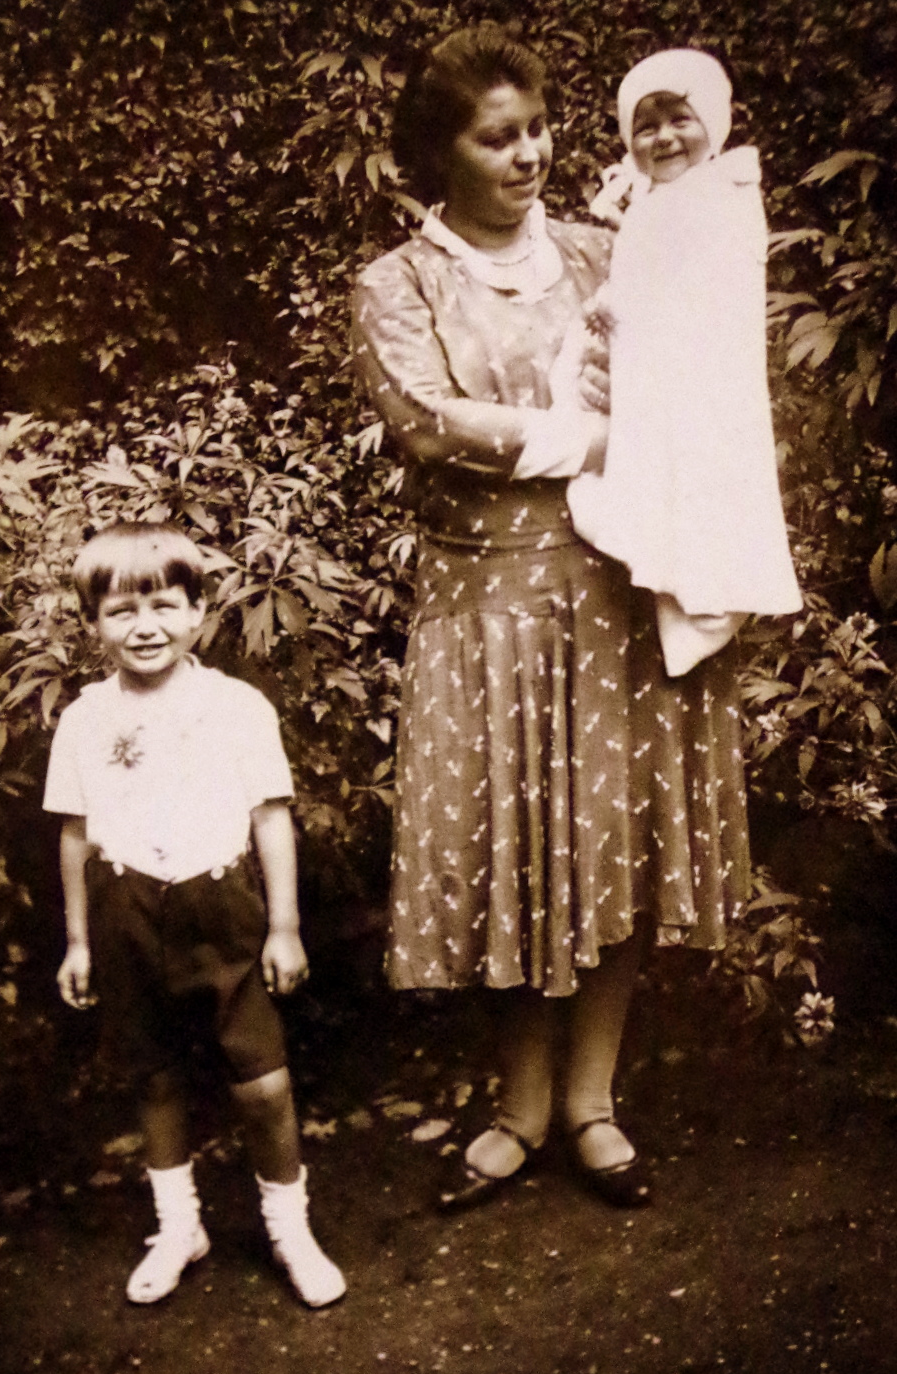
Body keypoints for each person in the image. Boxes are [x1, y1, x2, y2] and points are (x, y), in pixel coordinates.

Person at [352, 23, 751, 1212]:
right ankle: (520, 1104)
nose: (528, 154)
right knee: (508, 847)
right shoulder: (398, 284)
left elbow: (698, 362)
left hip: (615, 585)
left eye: (536, 129)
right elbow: (431, 421)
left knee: (610, 838)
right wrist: (597, 438)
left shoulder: (600, 251)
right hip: (485, 607)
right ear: (443, 152)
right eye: (497, 138)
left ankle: (591, 1098)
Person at [45, 522, 346, 1308]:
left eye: (164, 606)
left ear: (197, 610)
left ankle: (288, 1228)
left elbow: (271, 817)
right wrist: (78, 942)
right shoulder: (84, 718)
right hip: (127, 914)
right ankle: (179, 1227)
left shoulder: (236, 707)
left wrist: (284, 927)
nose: (145, 627)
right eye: (121, 612)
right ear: (93, 623)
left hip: (223, 912)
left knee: (263, 1085)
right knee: (155, 1079)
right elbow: (75, 834)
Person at [567, 49, 801, 677]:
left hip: (703, 371)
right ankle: (678, 583)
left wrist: (622, 308)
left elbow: (702, 289)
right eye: (645, 127)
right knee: (664, 473)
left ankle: (705, 602)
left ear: (713, 123)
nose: (664, 137)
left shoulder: (721, 195)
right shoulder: (663, 202)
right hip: (661, 368)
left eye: (680, 119)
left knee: (705, 476)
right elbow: (646, 273)